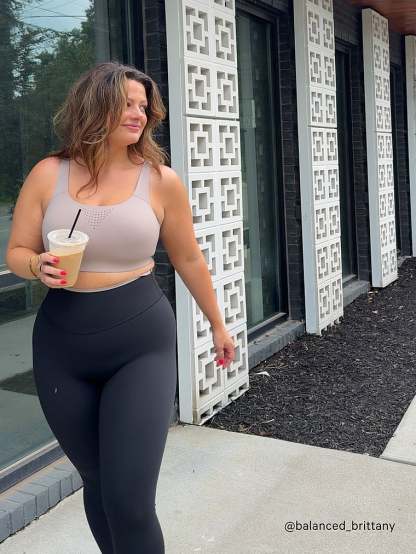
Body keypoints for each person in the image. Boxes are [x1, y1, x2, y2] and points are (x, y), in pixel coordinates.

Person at [6, 61, 235, 554]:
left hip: (140, 343)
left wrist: (218, 324)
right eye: (126, 103)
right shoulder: (48, 174)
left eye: (143, 106)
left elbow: (188, 257)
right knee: (97, 482)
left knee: (130, 500)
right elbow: (18, 252)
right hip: (62, 345)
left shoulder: (160, 180)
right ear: (96, 107)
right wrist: (37, 265)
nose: (139, 114)